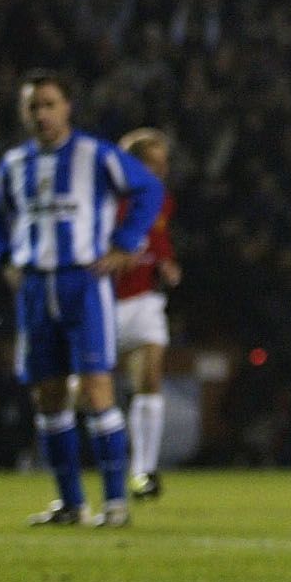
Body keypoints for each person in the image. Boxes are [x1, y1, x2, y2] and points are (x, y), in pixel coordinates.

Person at [0, 70, 164, 527]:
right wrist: (6, 256)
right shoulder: (15, 163)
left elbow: (148, 189)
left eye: (49, 104)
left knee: (97, 387)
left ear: (67, 108)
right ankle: (70, 503)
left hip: (83, 284)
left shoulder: (94, 154)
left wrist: (124, 243)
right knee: (47, 395)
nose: (41, 114)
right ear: (23, 113)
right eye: (33, 107)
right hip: (36, 287)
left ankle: (116, 504)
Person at [114, 127, 181, 500]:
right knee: (86, 391)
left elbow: (159, 240)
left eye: (163, 162)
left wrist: (167, 264)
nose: (160, 169)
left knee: (150, 377)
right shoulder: (107, 199)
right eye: (152, 163)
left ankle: (144, 471)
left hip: (144, 301)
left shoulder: (162, 200)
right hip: (104, 302)